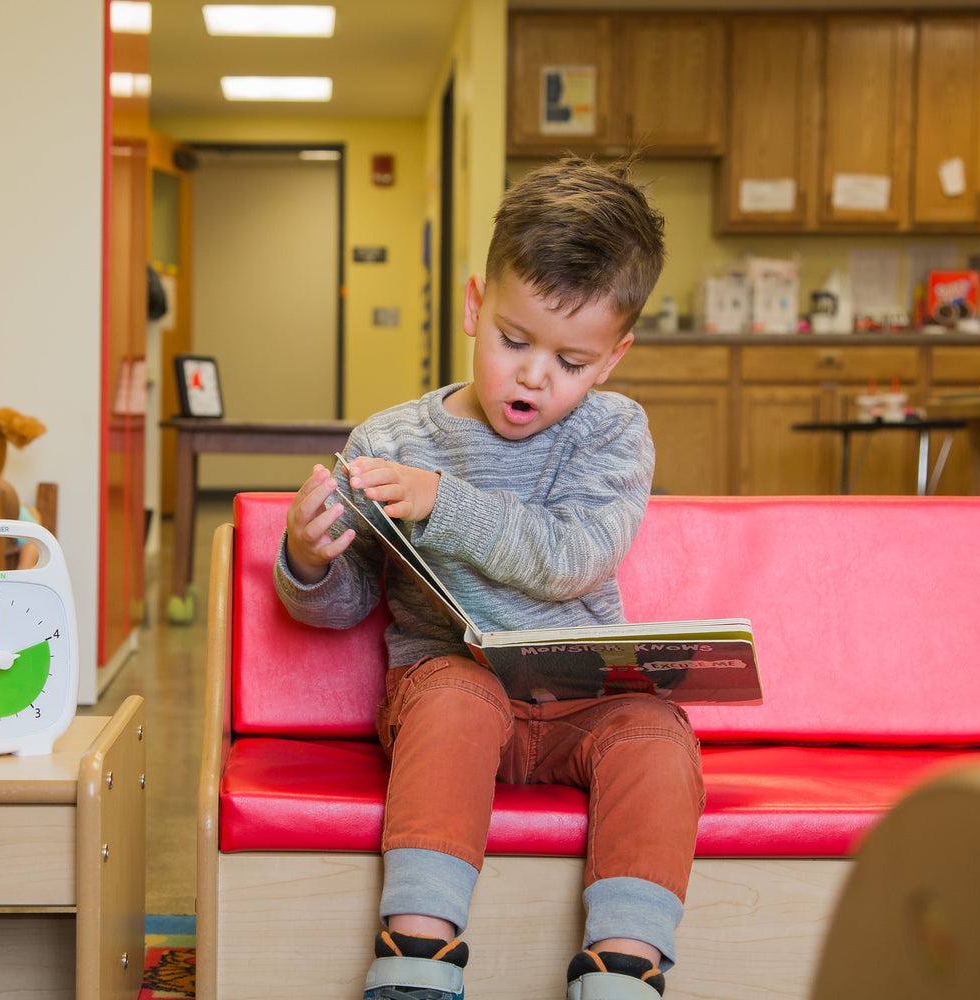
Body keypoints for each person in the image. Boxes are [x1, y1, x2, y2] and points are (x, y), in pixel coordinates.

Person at [273, 156, 701, 1000]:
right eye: (514, 341)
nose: (537, 375)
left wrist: (445, 503)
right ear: (475, 306)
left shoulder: (613, 433)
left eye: (572, 361)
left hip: (585, 699)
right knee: (453, 697)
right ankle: (418, 958)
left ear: (612, 358)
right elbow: (354, 599)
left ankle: (625, 969)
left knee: (661, 736)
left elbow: (572, 557)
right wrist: (309, 559)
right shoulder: (392, 438)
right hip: (452, 691)